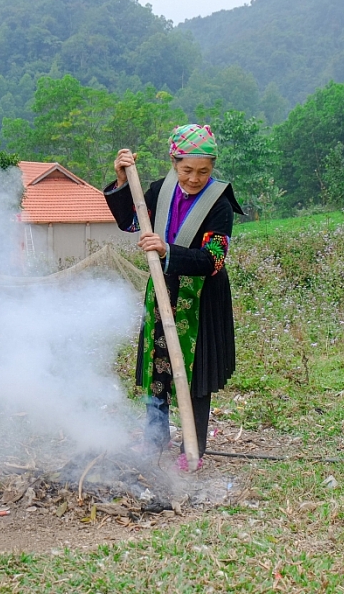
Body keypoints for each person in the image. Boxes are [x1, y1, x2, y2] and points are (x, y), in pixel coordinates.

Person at [103, 124, 243, 470]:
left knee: (194, 375)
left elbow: (214, 258)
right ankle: (154, 439)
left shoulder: (219, 203)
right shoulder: (160, 191)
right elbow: (131, 224)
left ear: (212, 168)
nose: (195, 178)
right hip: (163, 289)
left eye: (203, 171)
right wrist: (122, 182)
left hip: (202, 299)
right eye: (187, 170)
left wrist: (168, 250)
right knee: (157, 368)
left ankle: (192, 449)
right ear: (174, 161)